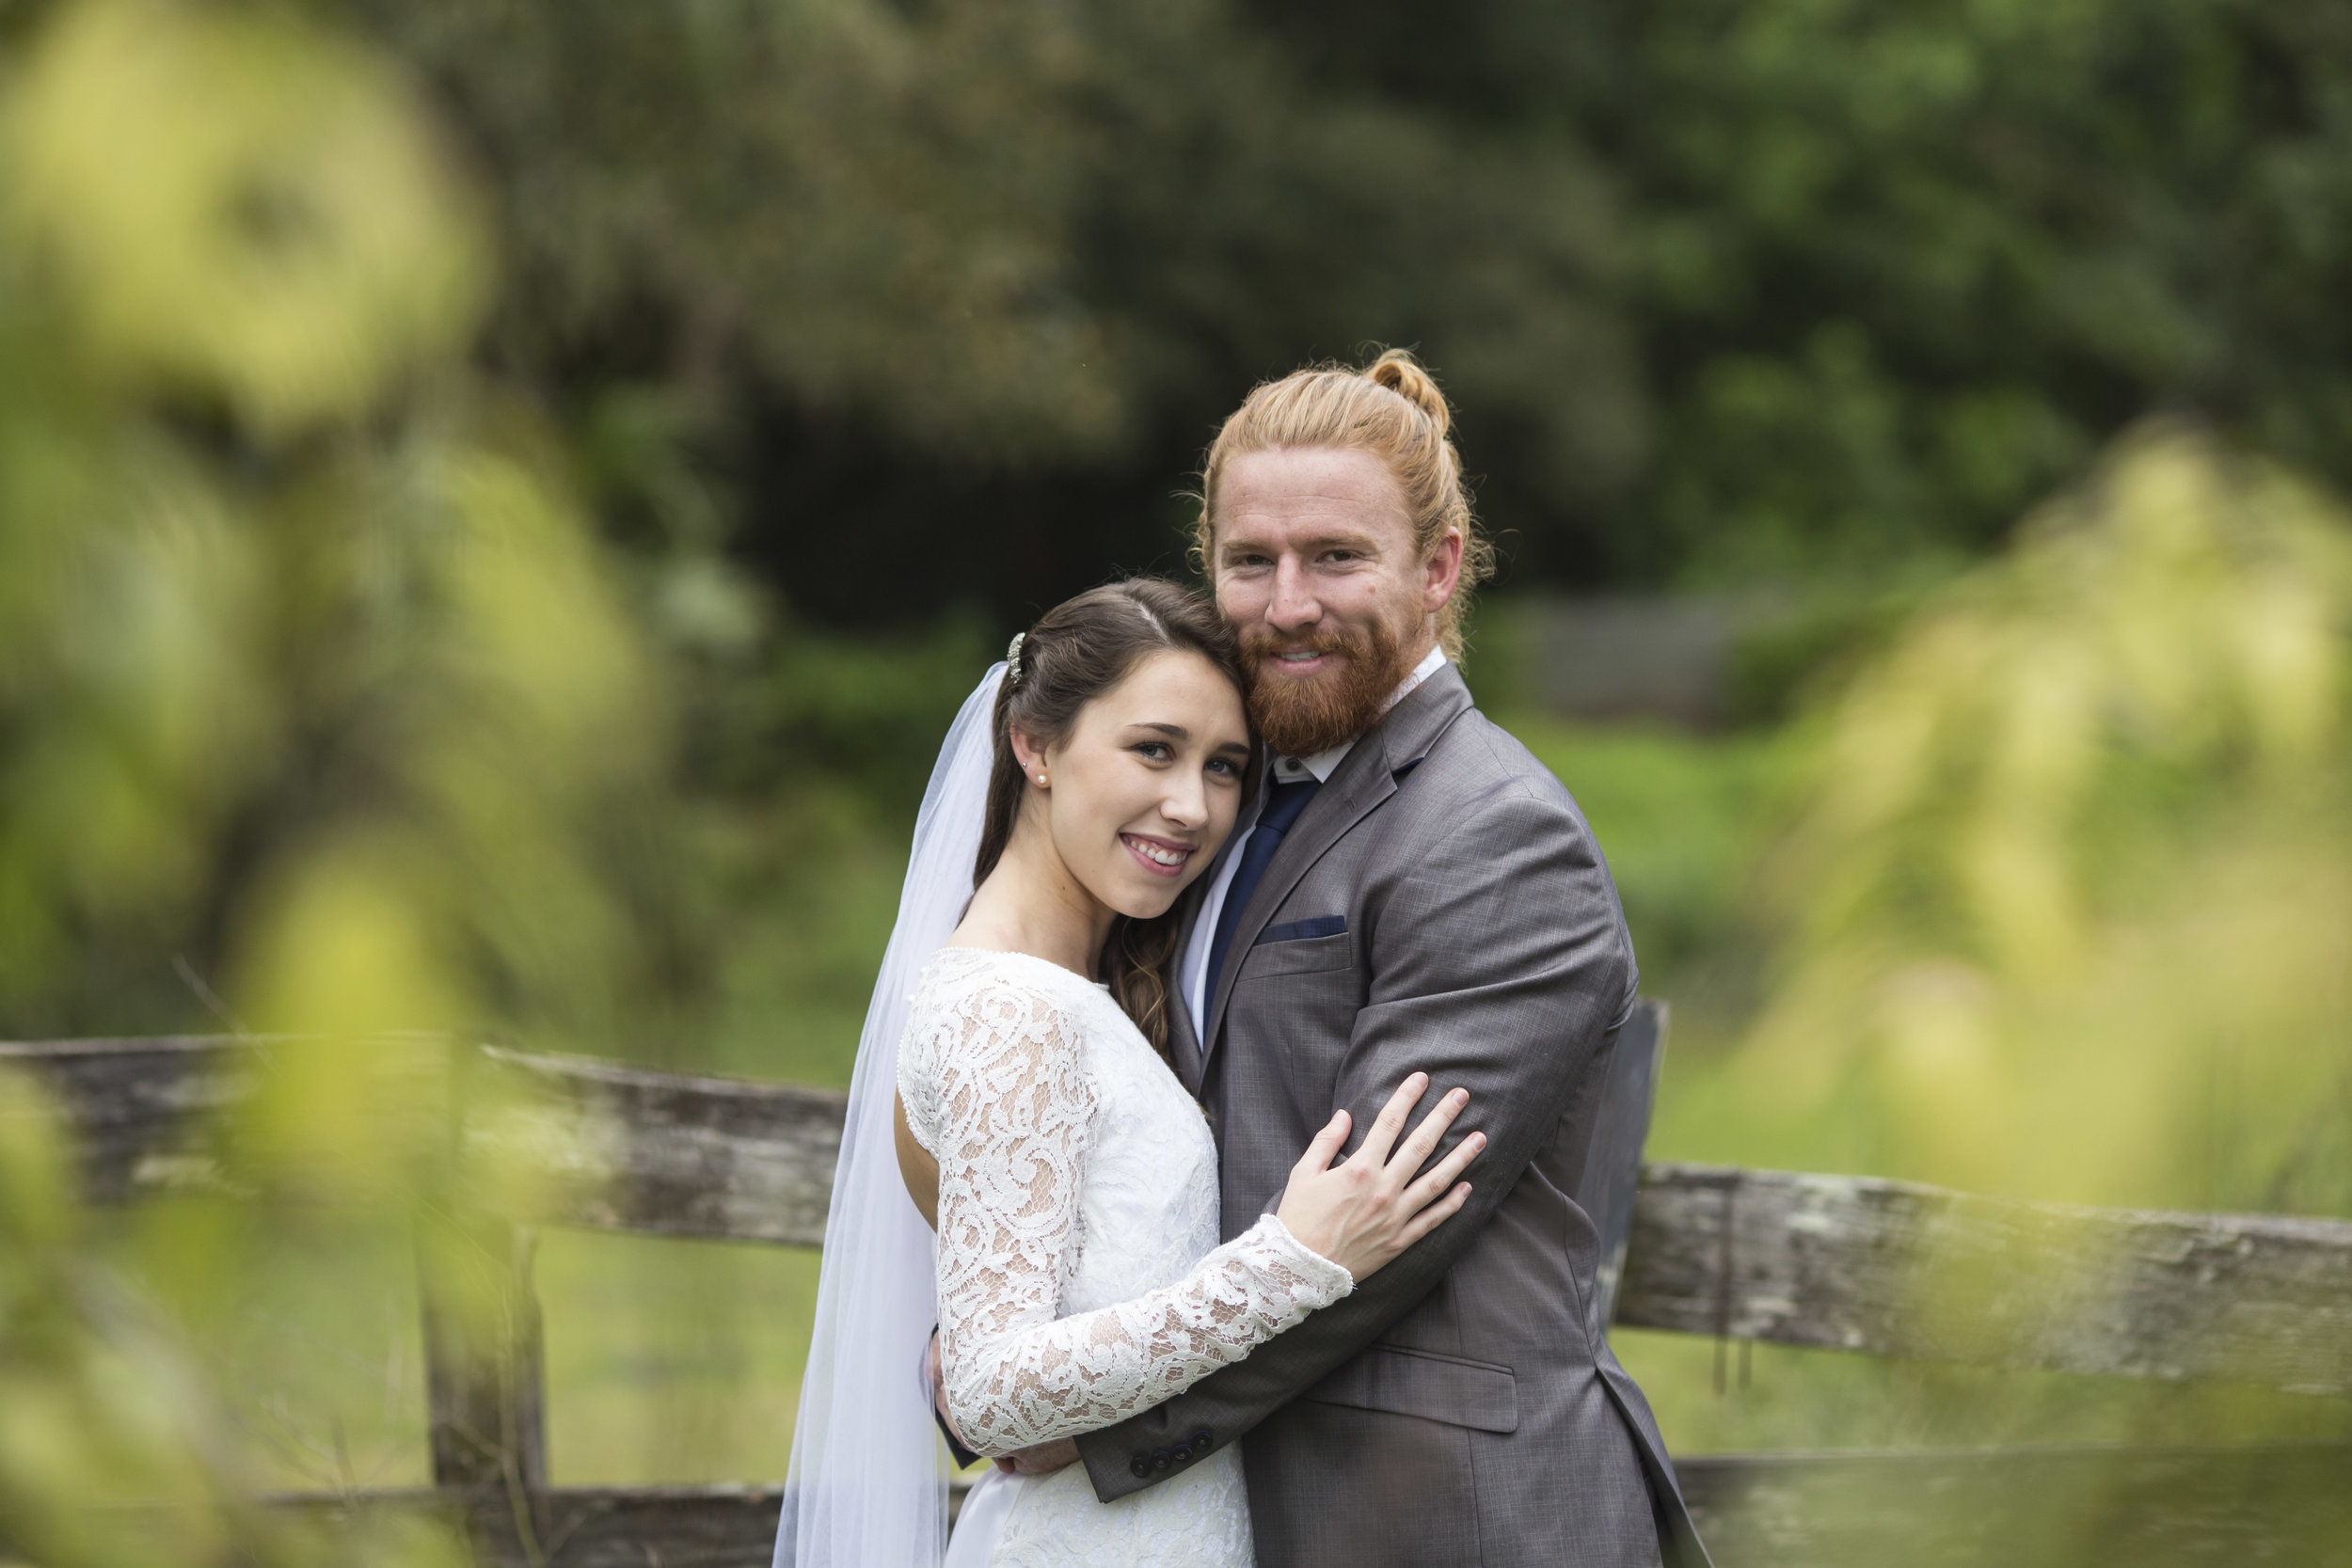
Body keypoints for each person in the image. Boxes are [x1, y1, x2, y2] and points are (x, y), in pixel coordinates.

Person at [1035, 352, 1710, 1568]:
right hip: (1257, 1490)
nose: (1287, 602)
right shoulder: (1218, 799)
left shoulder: (1494, 832)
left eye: (1336, 557)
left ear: (1438, 566)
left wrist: (1092, 1417)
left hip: (1449, 1512)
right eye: (1252, 561)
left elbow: (1377, 1223)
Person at [781, 578, 1484, 1568]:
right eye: (1153, 748)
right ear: (1034, 745)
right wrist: (1292, 1261)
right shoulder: (1010, 1010)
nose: (1190, 805)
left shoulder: (1083, 988)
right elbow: (989, 1388)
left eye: (1224, 765)